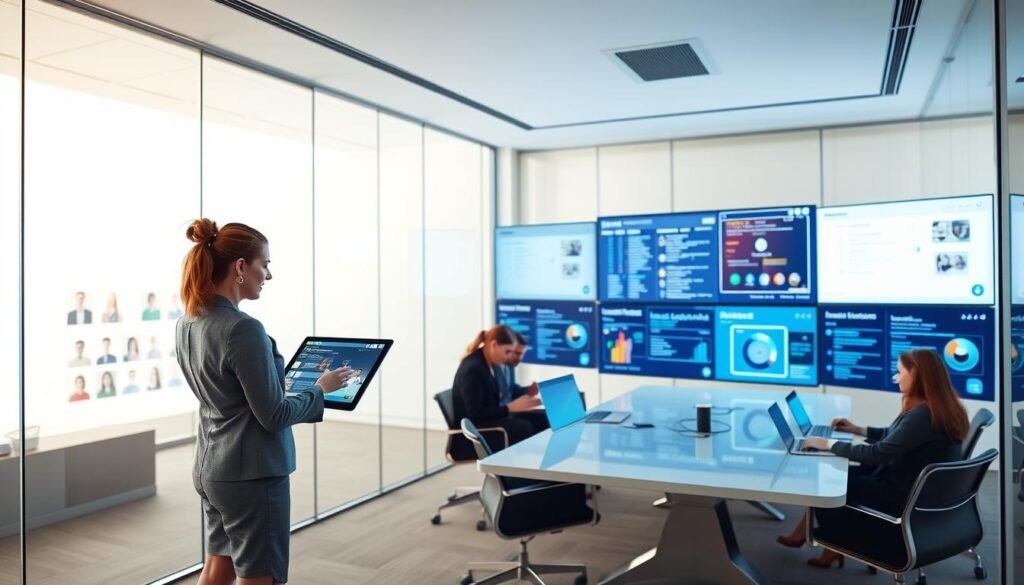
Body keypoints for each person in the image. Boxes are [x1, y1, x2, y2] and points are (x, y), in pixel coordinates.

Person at [176, 218, 355, 585]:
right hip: (252, 475)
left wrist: (275, 382)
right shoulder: (243, 328)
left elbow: (229, 390)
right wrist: (320, 388)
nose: (268, 275)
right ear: (241, 267)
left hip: (212, 469)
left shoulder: (188, 322)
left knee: (218, 568)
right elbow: (274, 415)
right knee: (260, 577)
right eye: (265, 265)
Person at [776, 348, 968, 568]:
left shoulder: (923, 415)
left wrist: (827, 444)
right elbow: (895, 436)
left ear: (915, 374)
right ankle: (809, 537)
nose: (896, 378)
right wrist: (858, 430)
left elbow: (877, 454)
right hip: (911, 484)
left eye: (900, 372)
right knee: (833, 475)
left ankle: (833, 543)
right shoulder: (939, 406)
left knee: (829, 484)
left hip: (898, 493)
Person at [452, 325, 543, 451]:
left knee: (541, 419)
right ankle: (517, 462)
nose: (509, 357)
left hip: (488, 422)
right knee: (524, 427)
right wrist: (509, 408)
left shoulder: (488, 364)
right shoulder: (473, 369)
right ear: (494, 345)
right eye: (507, 352)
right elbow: (476, 414)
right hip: (475, 433)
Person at [494, 331, 548, 433]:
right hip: (502, 414)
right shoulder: (492, 368)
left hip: (513, 411)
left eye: (522, 354)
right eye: (517, 353)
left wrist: (527, 391)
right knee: (528, 425)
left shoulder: (509, 366)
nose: (520, 358)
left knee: (546, 418)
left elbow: (511, 389)